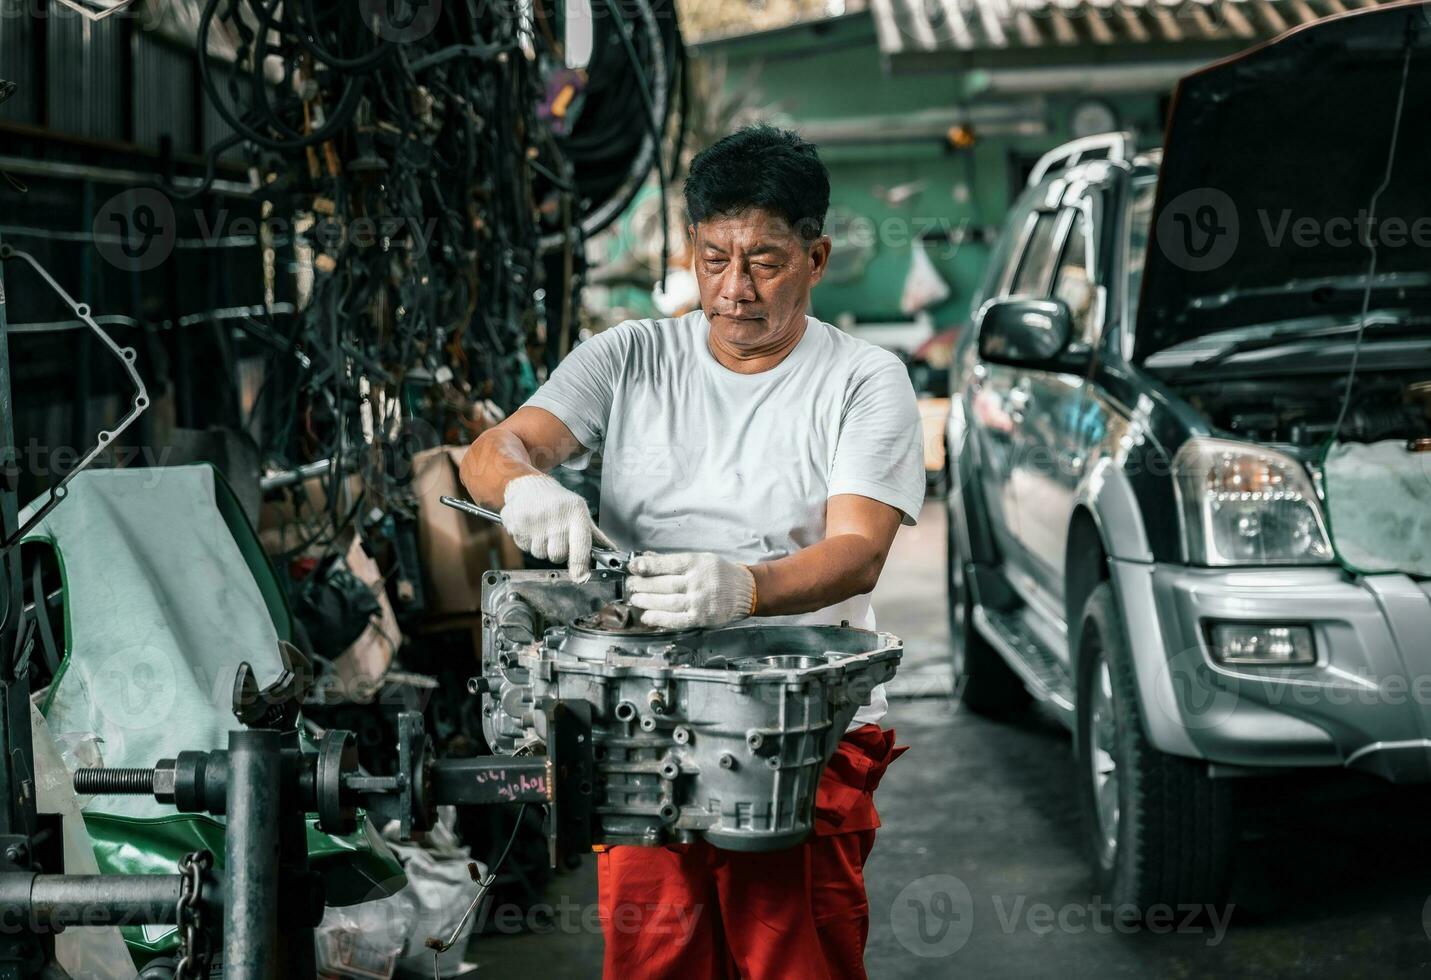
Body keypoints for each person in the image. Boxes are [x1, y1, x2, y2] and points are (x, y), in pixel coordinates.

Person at [460, 125, 924, 979]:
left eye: (766, 262)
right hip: (644, 723)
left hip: (798, 722)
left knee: (792, 959)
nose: (734, 290)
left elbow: (858, 552)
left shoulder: (863, 379)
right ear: (689, 249)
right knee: (657, 958)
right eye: (714, 259)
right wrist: (527, 488)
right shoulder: (632, 355)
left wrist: (741, 590)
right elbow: (491, 452)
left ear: (816, 258)